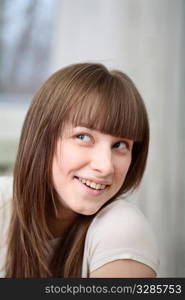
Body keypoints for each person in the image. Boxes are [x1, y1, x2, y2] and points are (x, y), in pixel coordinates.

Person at [0, 62, 159, 278]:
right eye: (83, 137)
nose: (105, 167)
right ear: (41, 139)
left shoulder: (122, 227)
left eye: (120, 145)